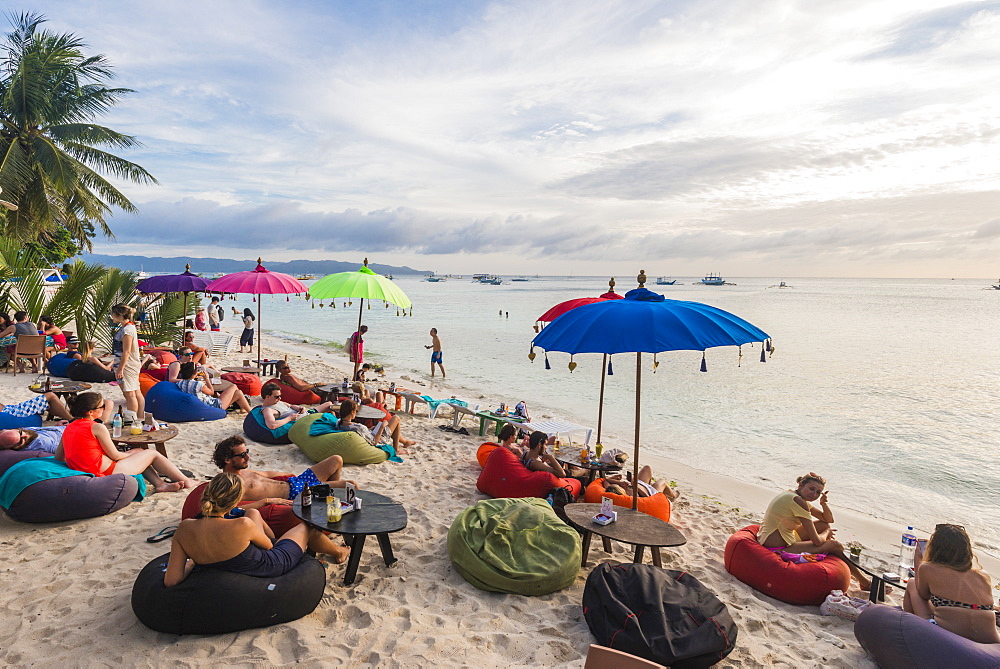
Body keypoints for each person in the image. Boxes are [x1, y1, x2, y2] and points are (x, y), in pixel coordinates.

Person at [163, 473, 337, 587]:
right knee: (307, 526)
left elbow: (172, 581)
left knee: (253, 513)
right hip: (271, 564)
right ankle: (341, 551)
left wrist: (192, 562)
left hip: (228, 561)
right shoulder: (241, 525)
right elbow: (269, 546)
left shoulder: (184, 528)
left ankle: (316, 547)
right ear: (236, 501)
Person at [54, 392, 193, 493]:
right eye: (101, 406)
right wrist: (130, 453)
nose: (104, 408)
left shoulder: (69, 427)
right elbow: (115, 456)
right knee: (151, 453)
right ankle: (186, 481)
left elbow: (59, 458)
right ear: (91, 412)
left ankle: (160, 484)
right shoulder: (97, 427)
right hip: (104, 472)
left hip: (84, 468)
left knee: (140, 453)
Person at [757, 473, 871, 589]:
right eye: (811, 489)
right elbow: (817, 541)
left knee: (823, 525)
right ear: (801, 484)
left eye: (818, 492)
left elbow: (828, 520)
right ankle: (865, 583)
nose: (814, 494)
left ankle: (827, 552)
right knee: (835, 545)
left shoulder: (793, 495)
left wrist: (823, 504)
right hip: (778, 547)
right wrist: (827, 533)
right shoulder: (798, 501)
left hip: (779, 537)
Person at [903, 523, 1000, 643]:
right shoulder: (983, 575)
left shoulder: (928, 568)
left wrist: (918, 560)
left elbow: (923, 595)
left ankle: (907, 632)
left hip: (950, 637)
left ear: (935, 548)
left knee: (912, 584)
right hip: (990, 641)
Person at [0, 398, 116, 452]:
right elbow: (68, 450)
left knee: (105, 404)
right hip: (80, 431)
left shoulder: (26, 435)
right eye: (21, 440)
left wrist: (56, 427)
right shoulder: (43, 444)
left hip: (66, 427)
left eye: (20, 432)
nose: (24, 436)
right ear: (16, 447)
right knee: (108, 404)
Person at [257, 382, 335, 439]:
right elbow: (272, 425)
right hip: (305, 419)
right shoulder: (268, 410)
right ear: (267, 397)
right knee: (329, 413)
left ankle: (336, 423)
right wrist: (289, 418)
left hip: (306, 413)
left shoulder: (277, 401)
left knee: (329, 404)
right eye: (277, 396)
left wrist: (298, 408)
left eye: (280, 396)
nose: (280, 398)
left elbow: (290, 405)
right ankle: (337, 425)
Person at [338, 399, 416, 453]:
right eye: (356, 411)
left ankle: (406, 442)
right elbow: (374, 442)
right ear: (352, 412)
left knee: (386, 424)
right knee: (396, 418)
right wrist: (382, 427)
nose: (357, 413)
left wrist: (370, 429)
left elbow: (364, 433)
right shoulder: (357, 427)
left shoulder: (339, 422)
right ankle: (397, 449)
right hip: (379, 439)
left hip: (371, 433)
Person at [175, 362, 251, 413]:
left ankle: (244, 409)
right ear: (195, 372)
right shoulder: (198, 384)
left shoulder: (180, 383)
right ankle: (248, 411)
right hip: (214, 406)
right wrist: (207, 379)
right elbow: (211, 392)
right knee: (233, 386)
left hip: (202, 404)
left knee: (239, 393)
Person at [110, 304, 144, 419]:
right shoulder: (129, 327)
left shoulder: (127, 330)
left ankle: (133, 419)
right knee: (135, 392)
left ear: (119, 315)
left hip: (127, 365)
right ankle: (139, 418)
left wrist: (120, 368)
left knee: (130, 394)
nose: (112, 316)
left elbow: (127, 351)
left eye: (113, 314)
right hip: (129, 363)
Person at [603, 466, 679, 501]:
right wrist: (635, 486)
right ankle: (673, 495)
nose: (622, 486)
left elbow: (605, 481)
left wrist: (620, 482)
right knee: (662, 481)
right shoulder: (631, 497)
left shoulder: (612, 490)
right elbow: (647, 498)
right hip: (651, 492)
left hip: (640, 484)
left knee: (647, 468)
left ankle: (649, 483)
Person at [0, 392, 74, 422]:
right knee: (50, 396)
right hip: (10, 412)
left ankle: (72, 419)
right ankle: (73, 420)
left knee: (48, 405)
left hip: (9, 409)